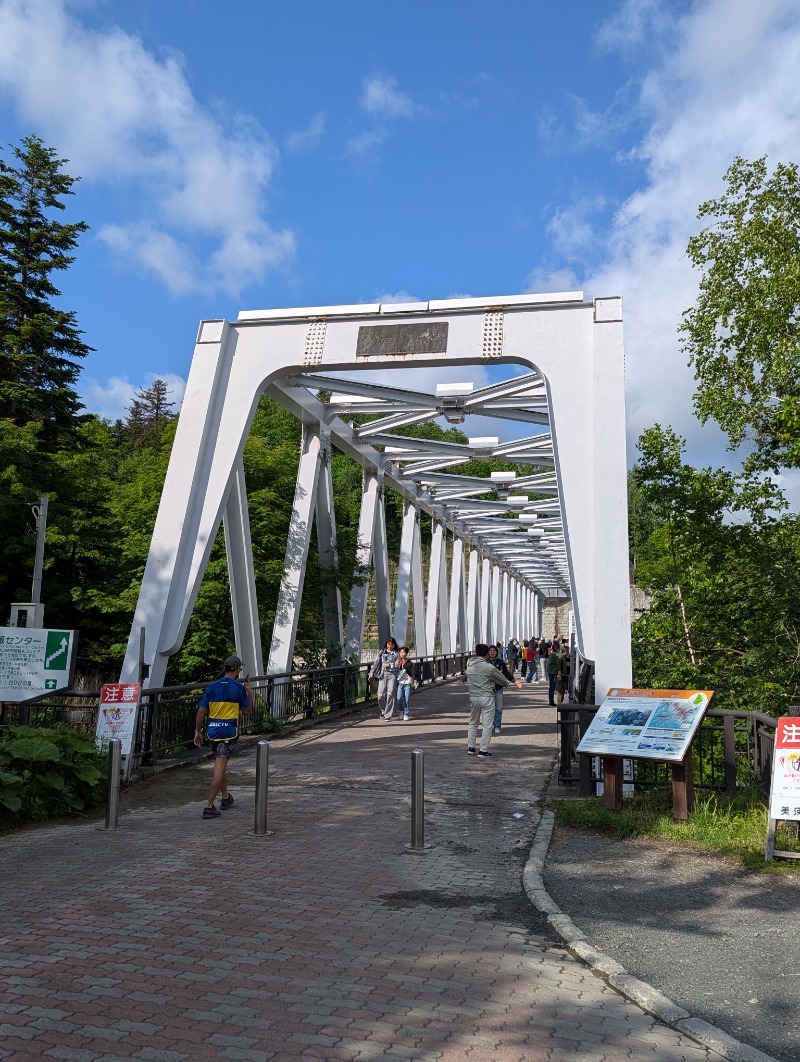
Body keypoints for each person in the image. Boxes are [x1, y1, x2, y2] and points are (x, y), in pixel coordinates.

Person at [194, 655, 251, 820]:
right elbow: (246, 712)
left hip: (213, 731)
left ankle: (225, 797)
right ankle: (209, 806)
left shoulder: (212, 687)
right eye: (240, 669)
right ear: (236, 670)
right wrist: (249, 693)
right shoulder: (238, 688)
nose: (240, 671)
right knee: (219, 768)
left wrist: (198, 731)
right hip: (229, 733)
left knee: (220, 764)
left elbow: (201, 712)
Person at [466, 644, 512, 757]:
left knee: (473, 722)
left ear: (476, 652)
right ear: (487, 653)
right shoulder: (489, 667)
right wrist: (506, 683)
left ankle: (471, 748)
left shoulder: (469, 665)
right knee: (487, 725)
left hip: (474, 697)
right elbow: (503, 680)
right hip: (487, 696)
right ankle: (483, 750)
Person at [487, 644, 522, 734]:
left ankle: (497, 726)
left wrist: (514, 680)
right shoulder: (485, 663)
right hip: (487, 688)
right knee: (489, 708)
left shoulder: (500, 663)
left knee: (499, 708)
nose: (492, 652)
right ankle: (489, 725)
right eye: (490, 651)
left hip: (498, 687)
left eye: (494, 651)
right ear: (488, 652)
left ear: (496, 652)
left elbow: (506, 673)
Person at [371, 637, 400, 719]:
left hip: (392, 675)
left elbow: (398, 666)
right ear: (386, 644)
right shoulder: (382, 652)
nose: (390, 646)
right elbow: (376, 663)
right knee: (380, 696)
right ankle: (383, 710)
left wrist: (390, 665)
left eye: (392, 645)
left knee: (390, 695)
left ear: (394, 645)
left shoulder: (396, 654)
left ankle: (388, 715)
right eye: (388, 644)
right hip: (382, 675)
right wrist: (371, 673)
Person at [395, 646, 415, 721]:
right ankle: (401, 710)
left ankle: (406, 713)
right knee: (399, 698)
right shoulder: (398, 661)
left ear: (406, 653)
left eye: (403, 652)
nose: (401, 654)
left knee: (406, 699)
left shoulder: (409, 663)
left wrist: (415, 681)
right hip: (400, 683)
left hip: (407, 684)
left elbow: (413, 672)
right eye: (400, 652)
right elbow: (394, 670)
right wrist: (396, 665)